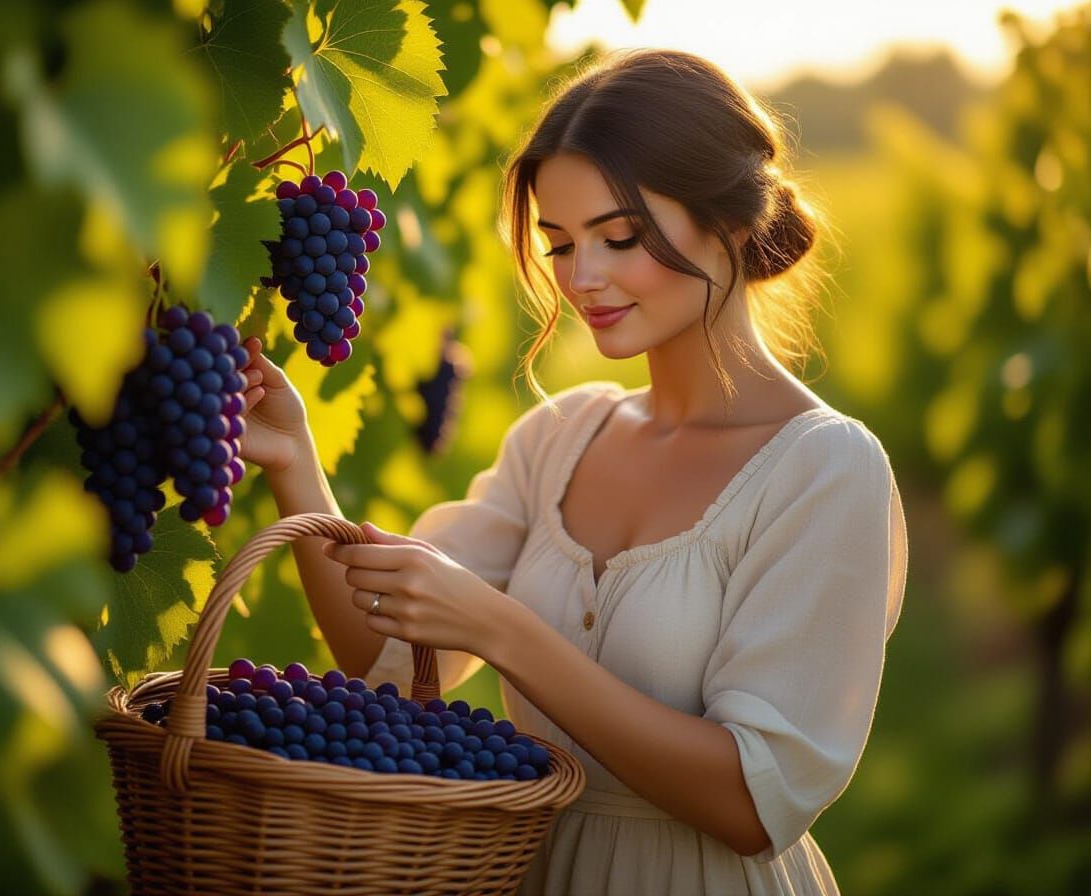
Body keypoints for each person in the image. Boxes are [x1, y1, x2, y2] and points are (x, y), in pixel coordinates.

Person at [238, 48, 907, 896]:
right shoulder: (559, 436)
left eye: (618, 237)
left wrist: (502, 630)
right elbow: (387, 660)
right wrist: (297, 462)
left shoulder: (826, 471)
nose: (581, 278)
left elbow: (752, 802)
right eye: (558, 244)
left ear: (731, 221)